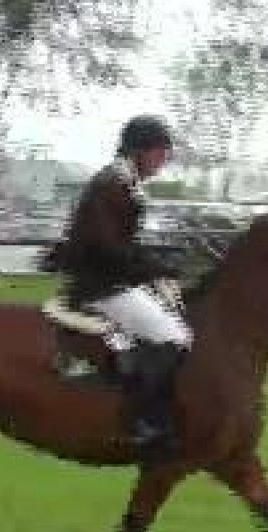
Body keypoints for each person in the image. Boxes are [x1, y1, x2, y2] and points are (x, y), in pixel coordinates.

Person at [55, 114, 192, 457]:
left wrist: (158, 262)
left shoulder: (121, 182)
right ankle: (146, 421)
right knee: (175, 337)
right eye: (161, 152)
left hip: (111, 279)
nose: (164, 160)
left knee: (174, 312)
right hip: (103, 286)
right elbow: (109, 248)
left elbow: (122, 244)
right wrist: (154, 269)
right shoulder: (112, 186)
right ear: (139, 151)